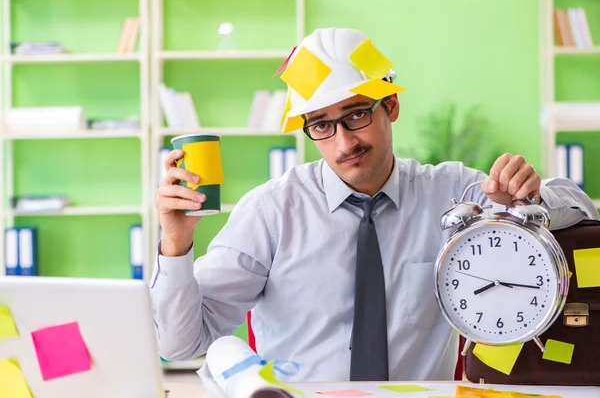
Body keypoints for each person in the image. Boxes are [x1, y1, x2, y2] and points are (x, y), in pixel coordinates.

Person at [150, 28, 598, 382]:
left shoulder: (457, 193)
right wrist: (176, 240)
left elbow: (584, 213)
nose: (345, 142)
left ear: (392, 106)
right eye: (322, 126)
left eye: (357, 114)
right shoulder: (271, 212)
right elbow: (182, 341)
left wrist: (531, 197)